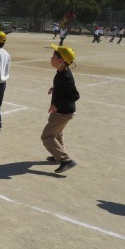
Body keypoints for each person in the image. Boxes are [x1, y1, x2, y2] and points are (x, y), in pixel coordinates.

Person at [41, 44, 79, 174]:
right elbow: (63, 87)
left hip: (63, 113)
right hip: (62, 111)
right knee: (57, 134)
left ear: (61, 60)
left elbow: (75, 95)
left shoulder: (65, 76)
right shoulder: (61, 71)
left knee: (47, 136)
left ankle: (65, 160)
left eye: (53, 56)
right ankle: (58, 155)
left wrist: (57, 105)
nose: (51, 58)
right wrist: (55, 88)